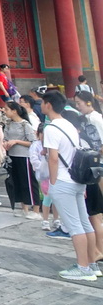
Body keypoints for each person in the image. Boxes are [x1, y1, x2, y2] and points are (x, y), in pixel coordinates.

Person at [41, 89, 99, 281]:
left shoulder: (50, 128)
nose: (42, 105)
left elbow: (54, 158)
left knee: (75, 227)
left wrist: (53, 181)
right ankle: (92, 264)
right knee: (84, 223)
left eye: (43, 102)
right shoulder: (69, 124)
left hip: (63, 181)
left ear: (48, 105)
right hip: (77, 179)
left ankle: (82, 268)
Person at [73, 92, 103, 266]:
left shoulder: (96, 120)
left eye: (80, 103)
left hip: (97, 166)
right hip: (95, 165)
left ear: (89, 102)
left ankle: (98, 250)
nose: (78, 106)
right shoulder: (87, 119)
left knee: (96, 213)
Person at [2, 100, 41, 219]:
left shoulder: (25, 125)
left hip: (24, 156)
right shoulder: (8, 124)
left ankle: (36, 209)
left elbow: (33, 142)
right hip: (13, 156)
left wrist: (16, 141)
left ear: (14, 111)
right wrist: (5, 143)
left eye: (7, 109)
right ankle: (24, 208)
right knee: (17, 182)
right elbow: (5, 138)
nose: (5, 111)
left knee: (29, 183)